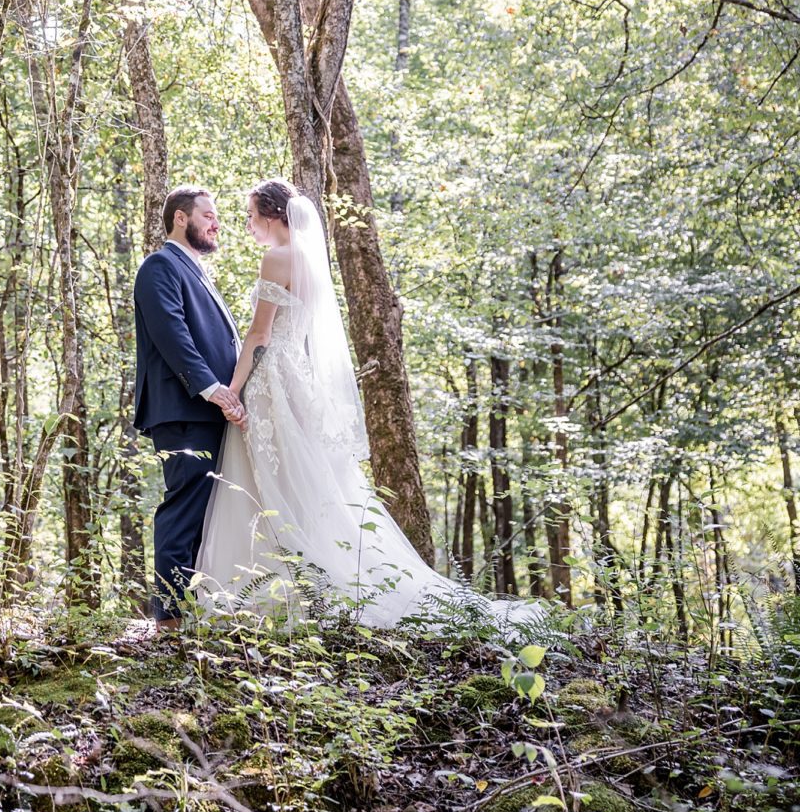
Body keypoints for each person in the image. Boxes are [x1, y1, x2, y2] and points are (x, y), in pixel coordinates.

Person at [194, 178, 539, 630]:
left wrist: (232, 390)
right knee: (303, 483)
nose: (247, 224)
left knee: (267, 482)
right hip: (297, 378)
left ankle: (268, 591)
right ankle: (303, 582)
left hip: (273, 381)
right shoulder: (311, 262)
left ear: (274, 215)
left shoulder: (276, 257)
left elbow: (259, 336)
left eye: (251, 215)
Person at [132, 186, 245, 629]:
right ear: (181, 218)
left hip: (208, 411)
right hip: (183, 410)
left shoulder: (196, 270)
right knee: (184, 507)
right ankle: (169, 619)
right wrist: (211, 388)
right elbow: (172, 334)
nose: (217, 223)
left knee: (207, 510)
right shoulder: (159, 266)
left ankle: (195, 611)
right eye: (209, 215)